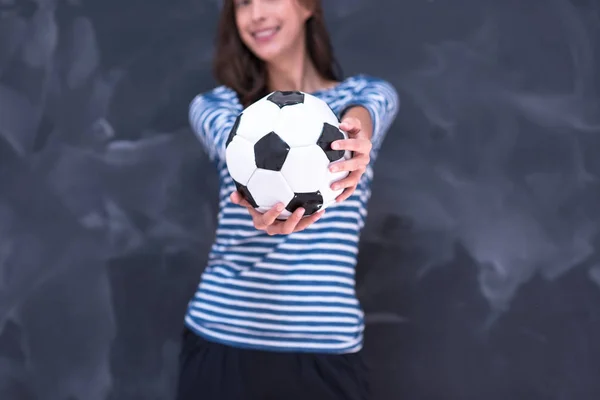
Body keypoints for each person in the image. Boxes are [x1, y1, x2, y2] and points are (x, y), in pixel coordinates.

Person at [177, 0, 399, 399]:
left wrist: (353, 137)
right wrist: (261, 211)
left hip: (326, 352)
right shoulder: (218, 107)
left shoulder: (366, 94)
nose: (256, 13)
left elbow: (365, 112)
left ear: (308, 6)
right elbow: (230, 142)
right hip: (223, 340)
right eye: (243, 3)